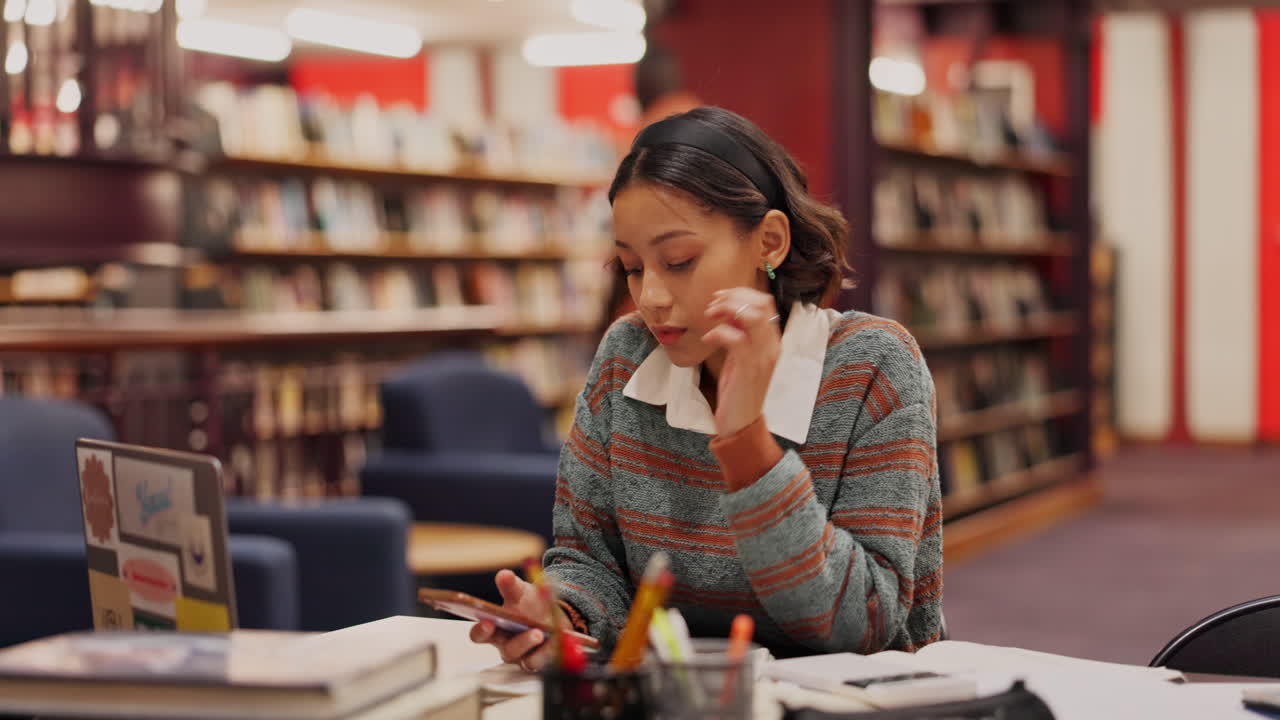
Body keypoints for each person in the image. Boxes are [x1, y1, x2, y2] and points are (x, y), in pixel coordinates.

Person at [471, 107, 943, 668]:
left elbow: (863, 621)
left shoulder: (874, 366)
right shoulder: (626, 356)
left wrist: (746, 442)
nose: (650, 298)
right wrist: (561, 618)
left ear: (769, 241)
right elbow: (590, 561)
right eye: (633, 267)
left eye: (679, 261)